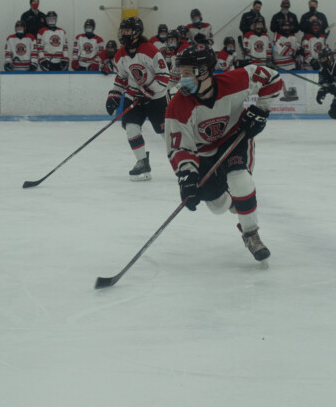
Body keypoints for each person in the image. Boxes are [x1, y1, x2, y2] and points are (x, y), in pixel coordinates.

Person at [165, 44, 283, 261]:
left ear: (206, 71)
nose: (183, 79)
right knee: (217, 206)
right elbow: (180, 147)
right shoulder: (177, 106)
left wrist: (260, 110)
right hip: (203, 153)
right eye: (182, 73)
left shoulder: (237, 81)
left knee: (240, 179)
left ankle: (251, 234)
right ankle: (234, 203)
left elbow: (272, 78)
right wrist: (187, 178)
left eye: (188, 73)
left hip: (234, 138)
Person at [104, 17, 171, 181]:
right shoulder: (120, 55)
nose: (123, 34)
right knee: (131, 129)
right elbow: (121, 78)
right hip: (133, 96)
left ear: (136, 32)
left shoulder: (150, 51)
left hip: (157, 99)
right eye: (123, 30)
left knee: (167, 134)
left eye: (127, 30)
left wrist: (148, 91)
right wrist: (114, 95)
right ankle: (142, 162)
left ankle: (184, 162)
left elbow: (164, 76)